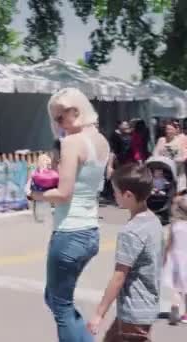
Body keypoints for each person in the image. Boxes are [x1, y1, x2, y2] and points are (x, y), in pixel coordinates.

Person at [31, 87, 110, 342]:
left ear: (77, 110)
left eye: (61, 116)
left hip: (69, 232)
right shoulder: (101, 141)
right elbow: (84, 182)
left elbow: (63, 193)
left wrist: (35, 194)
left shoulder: (71, 142)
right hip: (90, 231)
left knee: (60, 305)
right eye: (56, 117)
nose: (59, 122)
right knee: (55, 297)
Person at [87, 164, 163, 342]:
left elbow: (119, 276)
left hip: (134, 309)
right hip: (147, 305)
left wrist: (99, 313)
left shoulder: (130, 231)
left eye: (115, 192)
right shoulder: (154, 221)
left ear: (128, 195)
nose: (113, 195)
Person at [165, 195, 187, 325]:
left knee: (177, 287)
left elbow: (169, 243)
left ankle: (174, 306)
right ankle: (186, 315)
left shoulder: (175, 225)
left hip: (175, 259)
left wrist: (165, 256)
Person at [153, 120, 186, 190]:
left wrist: (177, 160)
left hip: (178, 172)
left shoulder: (181, 139)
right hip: (164, 172)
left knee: (179, 193)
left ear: (175, 130)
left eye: (170, 129)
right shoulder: (161, 140)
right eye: (167, 129)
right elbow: (155, 154)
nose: (168, 131)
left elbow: (185, 155)